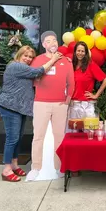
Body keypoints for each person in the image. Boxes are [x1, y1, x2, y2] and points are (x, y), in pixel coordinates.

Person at [0, 45, 62, 182]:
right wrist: (54, 58)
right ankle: (6, 169)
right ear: (19, 55)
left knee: (17, 138)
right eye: (25, 55)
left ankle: (14, 164)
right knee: (12, 138)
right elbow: (39, 71)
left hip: (19, 107)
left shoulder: (23, 69)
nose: (28, 59)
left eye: (31, 57)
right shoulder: (15, 66)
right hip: (10, 106)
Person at [26, 31, 75, 181]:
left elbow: (71, 83)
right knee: (38, 136)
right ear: (43, 44)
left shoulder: (66, 61)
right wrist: (52, 60)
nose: (52, 43)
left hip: (60, 104)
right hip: (41, 102)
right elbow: (35, 78)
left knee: (59, 137)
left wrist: (67, 100)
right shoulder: (37, 60)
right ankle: (36, 167)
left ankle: (59, 167)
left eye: (54, 40)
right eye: (48, 41)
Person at [66, 41, 106, 131]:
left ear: (86, 53)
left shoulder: (91, 65)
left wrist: (96, 95)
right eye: (78, 51)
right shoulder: (71, 66)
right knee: (73, 133)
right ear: (75, 52)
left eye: (82, 51)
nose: (80, 53)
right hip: (73, 105)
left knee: (89, 132)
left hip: (87, 105)